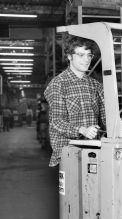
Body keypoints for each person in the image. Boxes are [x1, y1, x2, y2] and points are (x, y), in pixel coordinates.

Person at [44, 36, 105, 167]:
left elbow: (107, 118)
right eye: (81, 55)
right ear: (69, 56)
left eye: (89, 55)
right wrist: (82, 130)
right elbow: (57, 122)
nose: (86, 59)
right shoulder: (58, 84)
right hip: (69, 152)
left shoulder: (95, 85)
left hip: (92, 150)